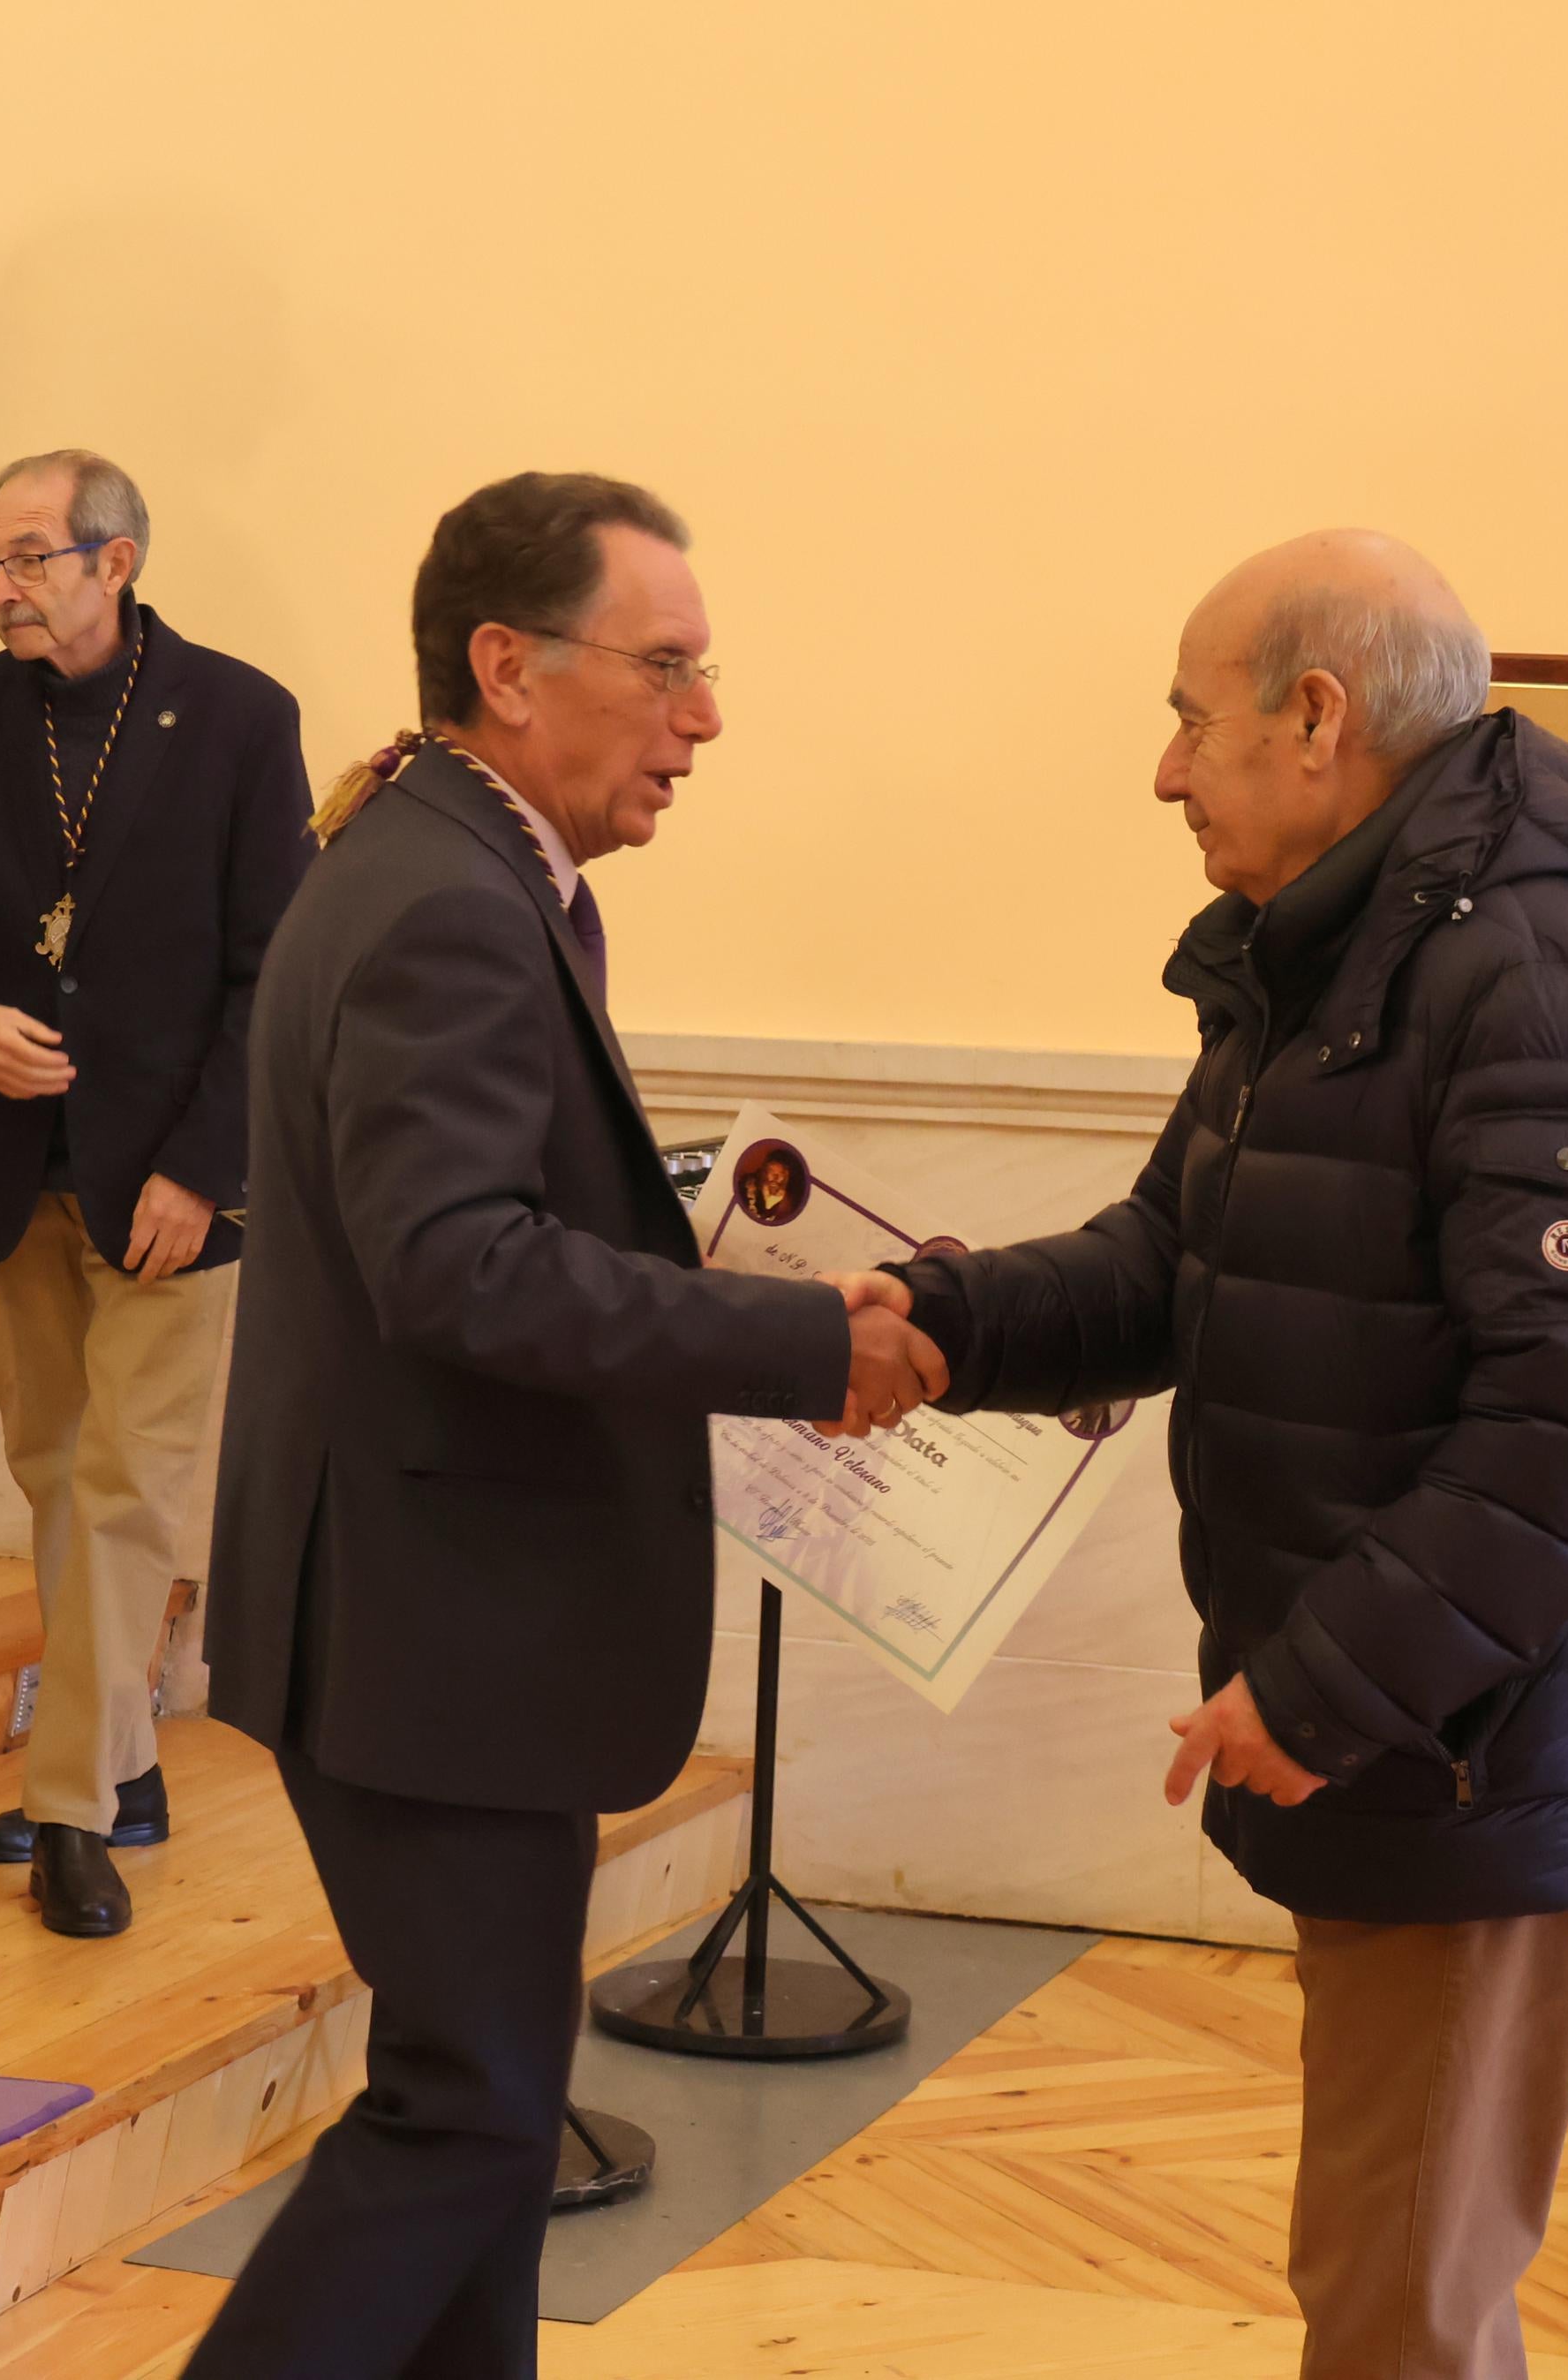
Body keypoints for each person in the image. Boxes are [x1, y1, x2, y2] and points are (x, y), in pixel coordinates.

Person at [860, 531, 1568, 2380]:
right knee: (1396, 2270)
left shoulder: (1525, 976)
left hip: (1485, 1754)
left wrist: (1329, 1684)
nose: (1164, 769)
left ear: (1316, 717)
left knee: (1395, 2294)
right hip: (1435, 1741)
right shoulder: (1341, 956)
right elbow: (1173, 1258)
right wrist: (934, 1319)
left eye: (1189, 720)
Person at [190, 472, 946, 2379]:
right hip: (432, 1620)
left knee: (492, 2116)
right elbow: (455, 1268)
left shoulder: (459, 863)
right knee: (461, 2116)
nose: (702, 718)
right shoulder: (445, 897)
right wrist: (787, 1340)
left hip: (439, 1610)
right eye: (666, 667)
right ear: (506, 667)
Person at [0, 450, 313, 1937]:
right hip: (13, 1168)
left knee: (129, 1490)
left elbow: (275, 976)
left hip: (169, 1178)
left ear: (114, 561)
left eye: (31, 558)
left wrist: (204, 1167)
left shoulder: (239, 719)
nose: (2, 586)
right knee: (57, 1480)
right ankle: (121, 1760)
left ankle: (69, 1812)